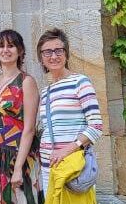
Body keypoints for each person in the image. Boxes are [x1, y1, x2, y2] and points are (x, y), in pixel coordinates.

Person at [35, 28, 103, 204]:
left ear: (66, 54)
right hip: (48, 167)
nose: (54, 56)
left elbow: (96, 126)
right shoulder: (46, 91)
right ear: (41, 57)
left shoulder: (80, 82)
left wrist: (67, 150)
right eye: (47, 52)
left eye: (59, 50)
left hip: (72, 166)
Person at [0, 29, 43, 204]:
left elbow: (30, 128)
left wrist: (17, 168)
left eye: (11, 46)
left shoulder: (26, 81)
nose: (5, 50)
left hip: (17, 156)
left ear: (20, 50)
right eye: (1, 46)